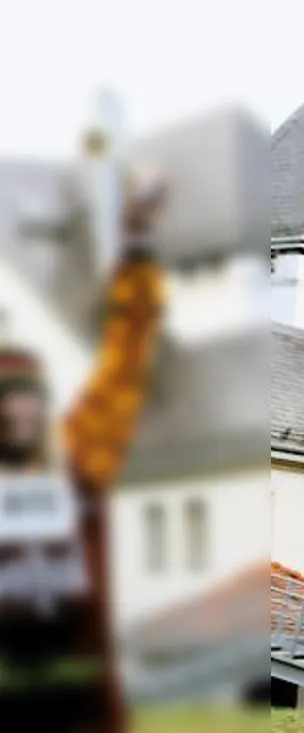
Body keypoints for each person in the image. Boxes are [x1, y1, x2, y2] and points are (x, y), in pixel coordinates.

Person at [0, 179, 166, 732]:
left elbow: (127, 357)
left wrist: (138, 245)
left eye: (24, 399)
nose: (13, 413)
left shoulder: (80, 460)